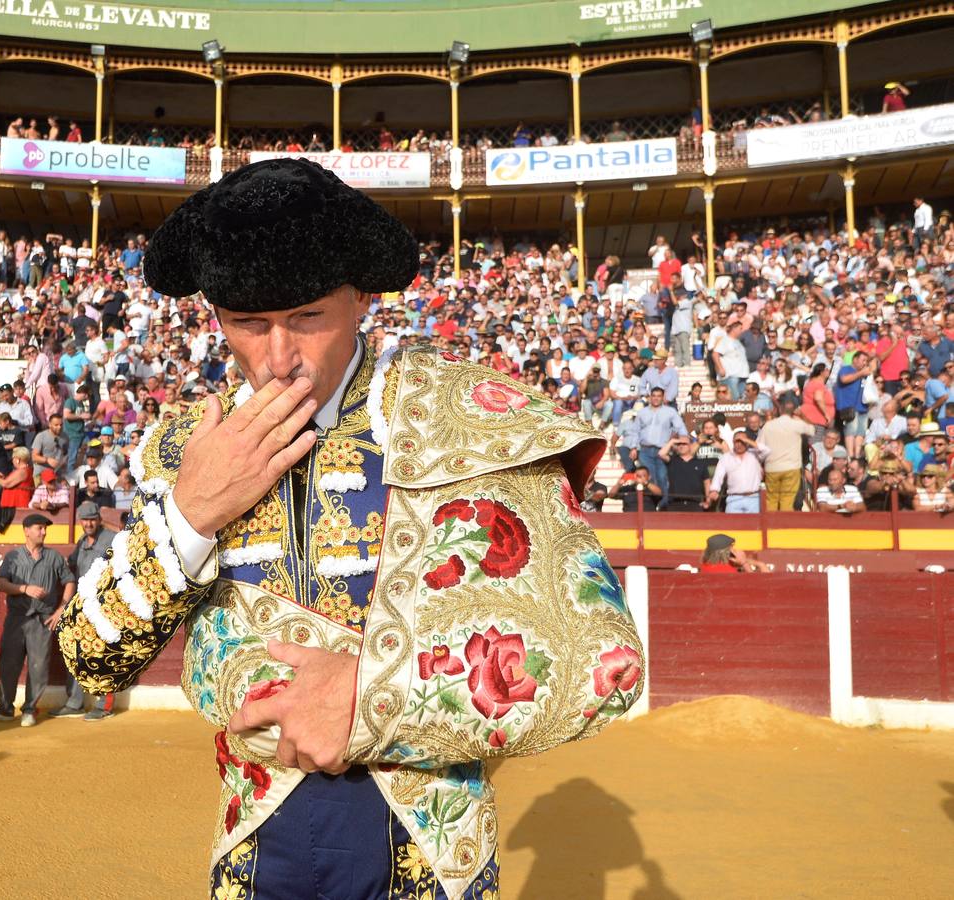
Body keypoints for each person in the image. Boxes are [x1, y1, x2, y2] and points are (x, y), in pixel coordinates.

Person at [55, 158, 643, 896]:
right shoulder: (187, 445)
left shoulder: (469, 417)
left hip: (428, 845)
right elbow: (90, 656)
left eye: (307, 318)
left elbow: (600, 664)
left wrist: (373, 690)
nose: (277, 359)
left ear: (362, 297)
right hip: (253, 843)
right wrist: (194, 510)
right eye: (246, 323)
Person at [0, 515, 74, 728]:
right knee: (8, 664)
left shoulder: (54, 557)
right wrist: (24, 589)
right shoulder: (13, 556)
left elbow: (69, 581)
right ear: (26, 531)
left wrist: (62, 609)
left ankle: (30, 709)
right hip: (17, 619)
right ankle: (4, 708)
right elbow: (2, 584)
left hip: (42, 620)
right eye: (39, 528)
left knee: (38, 667)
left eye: (44, 529)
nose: (44, 532)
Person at [55, 500, 116, 721]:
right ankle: (75, 703)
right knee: (79, 653)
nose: (89, 523)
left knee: (104, 653)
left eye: (92, 519)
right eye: (85, 519)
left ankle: (104, 704)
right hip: (82, 607)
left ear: (99, 519)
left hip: (105, 607)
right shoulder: (81, 541)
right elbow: (72, 567)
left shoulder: (110, 539)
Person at [758, 398, 814, 511]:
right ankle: (782, 526)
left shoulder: (768, 426)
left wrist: (761, 463)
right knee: (787, 500)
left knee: (771, 500)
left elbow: (759, 447)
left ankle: (770, 525)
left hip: (772, 467)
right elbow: (812, 430)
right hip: (791, 468)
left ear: (779, 410)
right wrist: (802, 415)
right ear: (793, 411)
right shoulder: (796, 424)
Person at [634, 387, 686, 507]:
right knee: (648, 478)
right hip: (645, 450)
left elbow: (680, 426)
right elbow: (635, 430)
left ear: (663, 397)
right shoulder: (642, 412)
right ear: (650, 397)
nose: (656, 398)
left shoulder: (670, 412)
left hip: (661, 451)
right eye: (654, 395)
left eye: (659, 396)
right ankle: (649, 505)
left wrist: (684, 438)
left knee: (662, 477)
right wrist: (633, 447)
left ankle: (663, 505)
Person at [708, 429, 769, 513]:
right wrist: (714, 490)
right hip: (734, 499)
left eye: (742, 442)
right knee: (732, 526)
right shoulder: (726, 457)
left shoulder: (755, 455)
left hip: (753, 498)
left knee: (754, 525)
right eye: (737, 441)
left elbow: (767, 451)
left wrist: (747, 440)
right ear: (733, 442)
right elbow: (718, 476)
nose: (739, 444)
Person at [699, 533, 772, 573]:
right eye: (731, 547)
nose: (734, 550)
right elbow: (759, 585)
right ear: (726, 552)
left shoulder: (704, 567)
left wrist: (745, 561)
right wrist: (745, 563)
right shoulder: (729, 571)